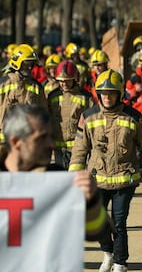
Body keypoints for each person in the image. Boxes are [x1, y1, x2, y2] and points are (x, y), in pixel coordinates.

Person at [68, 69, 142, 272]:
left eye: (111, 93)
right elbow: (80, 149)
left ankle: (121, 265)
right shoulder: (88, 117)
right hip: (97, 179)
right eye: (103, 93)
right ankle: (108, 253)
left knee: (119, 222)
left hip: (124, 180)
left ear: (119, 94)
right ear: (98, 94)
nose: (107, 97)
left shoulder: (133, 117)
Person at [1, 103, 111, 241]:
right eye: (41, 138)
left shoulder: (58, 179)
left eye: (50, 137)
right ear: (16, 142)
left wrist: (90, 202)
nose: (51, 145)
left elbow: (98, 232)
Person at [0, 44, 47, 161]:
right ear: (17, 63)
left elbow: (43, 115)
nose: (30, 68)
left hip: (28, 143)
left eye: (32, 64)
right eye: (27, 64)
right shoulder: (3, 84)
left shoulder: (37, 87)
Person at [48, 60, 95, 169]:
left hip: (78, 149)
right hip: (58, 148)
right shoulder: (52, 96)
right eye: (61, 81)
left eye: (67, 81)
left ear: (75, 79)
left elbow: (92, 122)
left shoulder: (85, 97)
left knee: (75, 180)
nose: (64, 84)